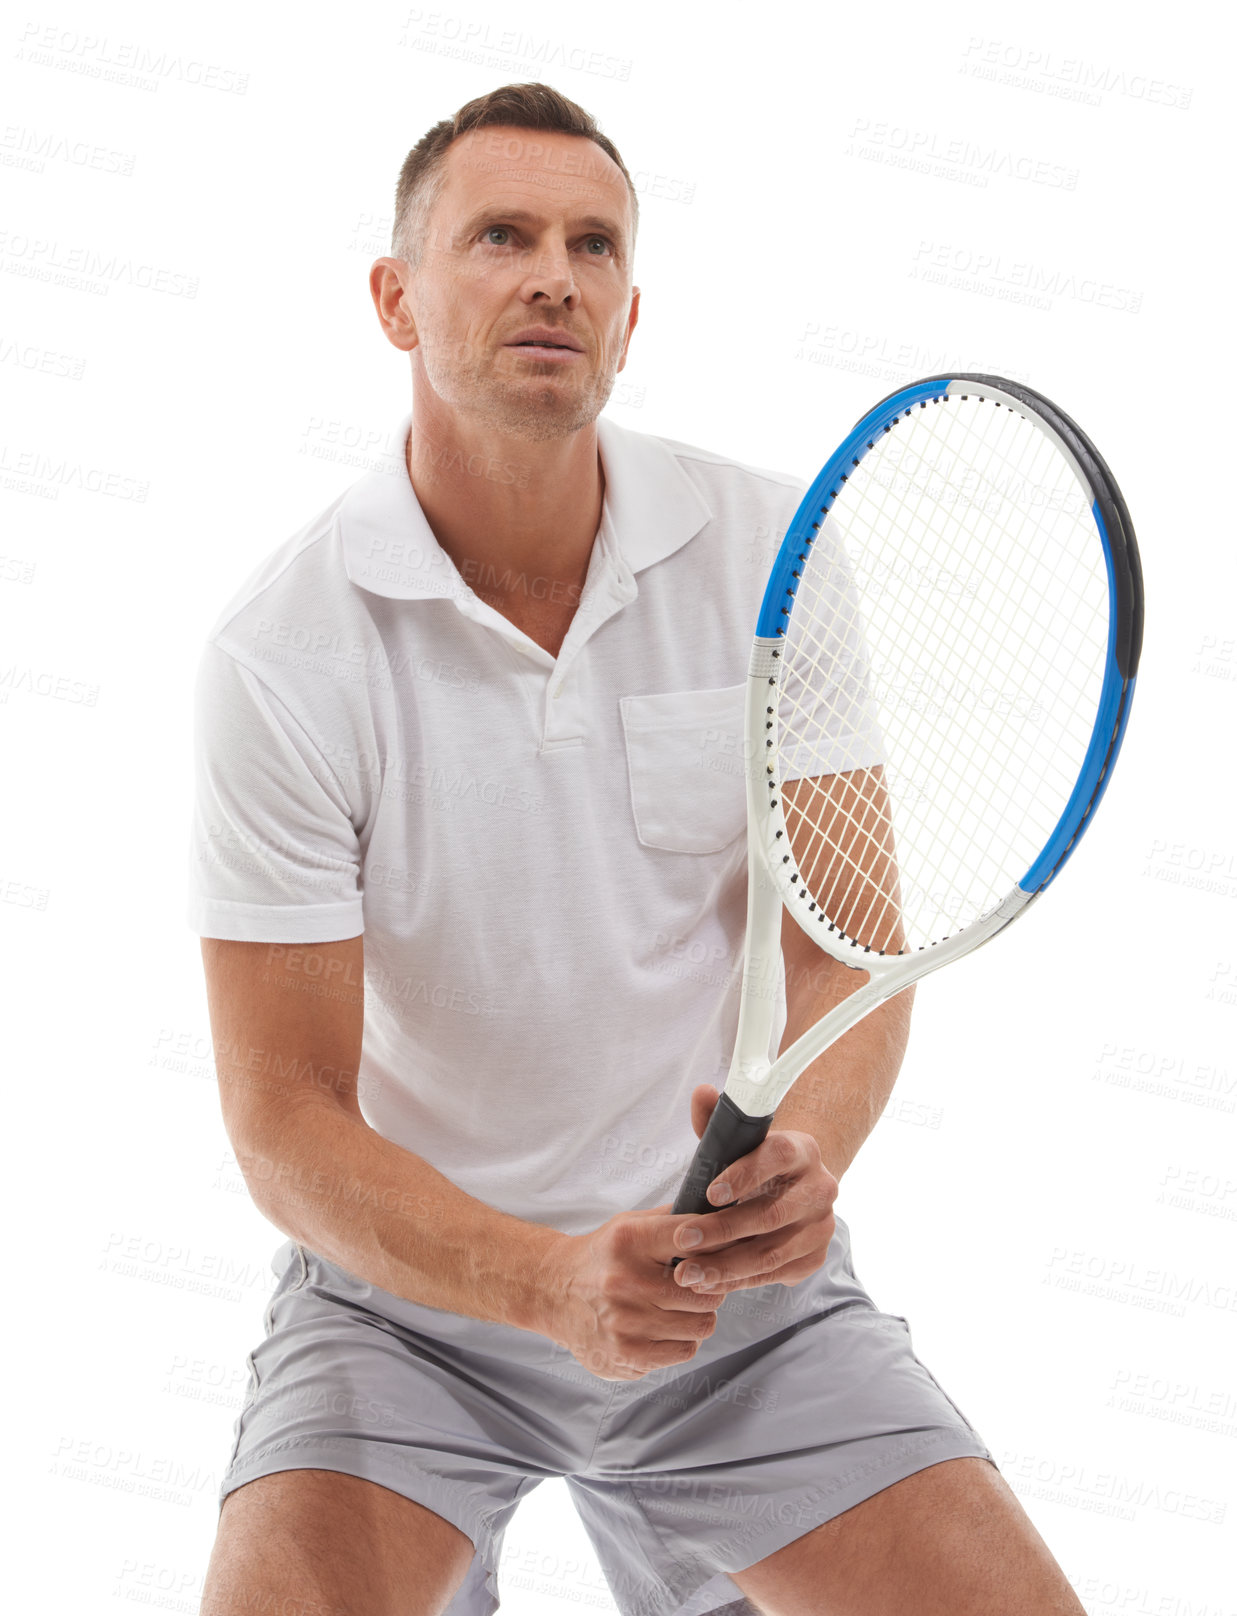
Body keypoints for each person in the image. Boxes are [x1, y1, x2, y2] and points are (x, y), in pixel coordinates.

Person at [188, 81, 1085, 1616]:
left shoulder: (767, 553)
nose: (554, 273)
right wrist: (534, 1284)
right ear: (397, 300)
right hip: (411, 1309)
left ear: (630, 310)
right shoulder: (285, 651)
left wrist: (806, 1160)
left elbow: (838, 953)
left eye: (593, 245)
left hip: (729, 1298)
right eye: (502, 235)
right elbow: (282, 1118)